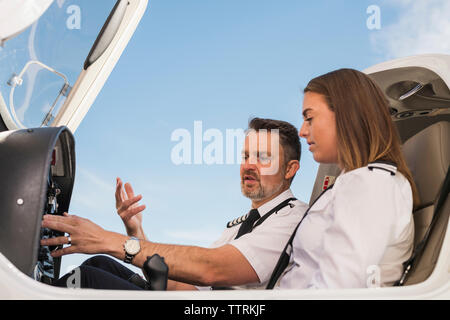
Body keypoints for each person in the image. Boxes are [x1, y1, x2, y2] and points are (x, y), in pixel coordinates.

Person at [41, 118, 309, 290]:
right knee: (98, 265)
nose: (248, 165)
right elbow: (181, 288)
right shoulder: (239, 228)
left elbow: (209, 270)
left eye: (263, 158)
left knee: (89, 282)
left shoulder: (293, 219)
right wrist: (135, 233)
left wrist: (108, 240)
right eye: (246, 155)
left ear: (289, 169)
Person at [267, 68, 419, 289]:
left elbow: (338, 288)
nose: (301, 131)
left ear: (348, 116)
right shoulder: (354, 183)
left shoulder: (369, 184)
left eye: (309, 118)